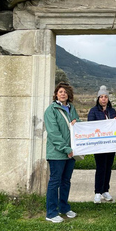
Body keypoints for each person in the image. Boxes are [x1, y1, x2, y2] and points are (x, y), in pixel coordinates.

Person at [44, 82, 80, 223]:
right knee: (55, 182)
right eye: (60, 91)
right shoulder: (51, 110)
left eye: (65, 91)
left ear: (69, 94)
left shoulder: (72, 108)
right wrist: (66, 149)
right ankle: (51, 212)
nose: (63, 93)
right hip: (57, 153)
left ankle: (64, 208)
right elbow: (54, 133)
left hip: (71, 152)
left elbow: (78, 126)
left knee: (66, 181)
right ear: (56, 94)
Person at [87, 85, 116, 204]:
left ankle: (105, 190)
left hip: (110, 144)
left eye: (105, 97)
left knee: (108, 167)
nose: (103, 99)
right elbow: (90, 126)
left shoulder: (112, 111)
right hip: (99, 145)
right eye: (101, 97)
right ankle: (97, 192)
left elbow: (115, 127)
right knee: (100, 167)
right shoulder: (93, 111)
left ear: (108, 99)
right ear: (98, 98)